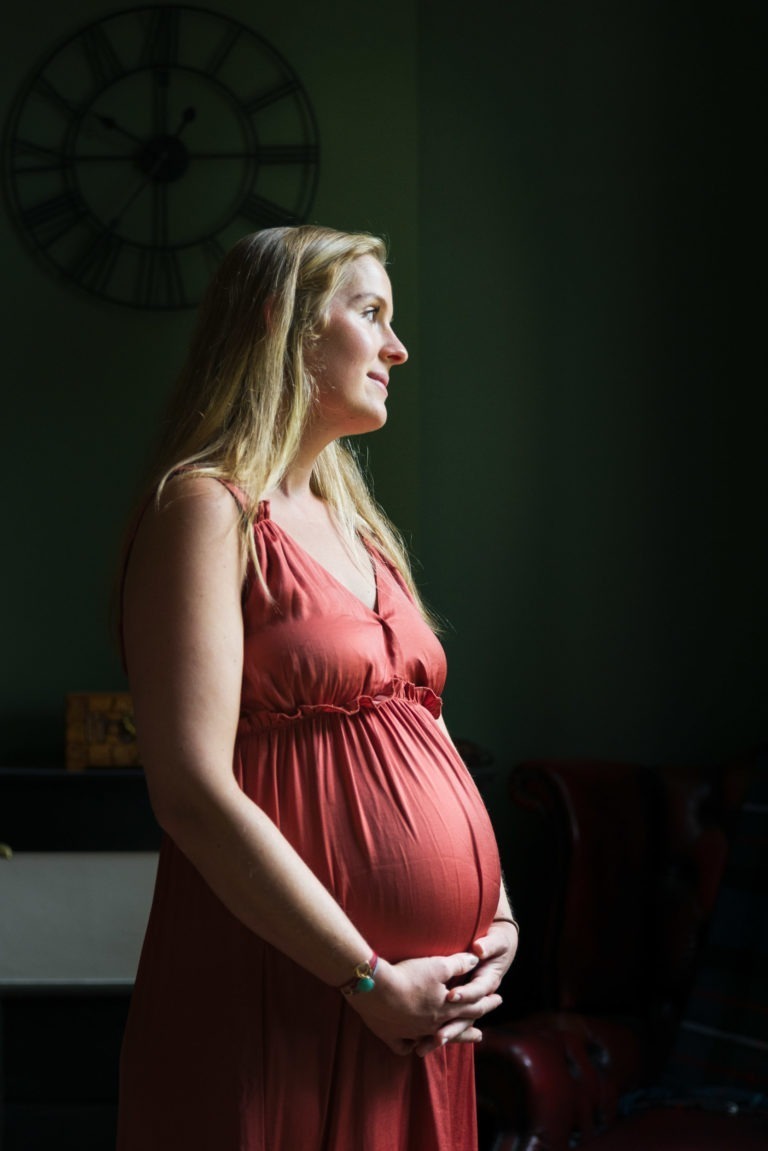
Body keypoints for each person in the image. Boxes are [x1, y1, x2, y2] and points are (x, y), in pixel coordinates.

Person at [116, 224, 518, 1151]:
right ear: (283, 326)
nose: (397, 347)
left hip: (418, 1004)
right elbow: (190, 790)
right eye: (370, 313)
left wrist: (493, 914)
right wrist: (365, 976)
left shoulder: (359, 525)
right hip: (290, 982)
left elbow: (427, 731)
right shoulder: (204, 507)